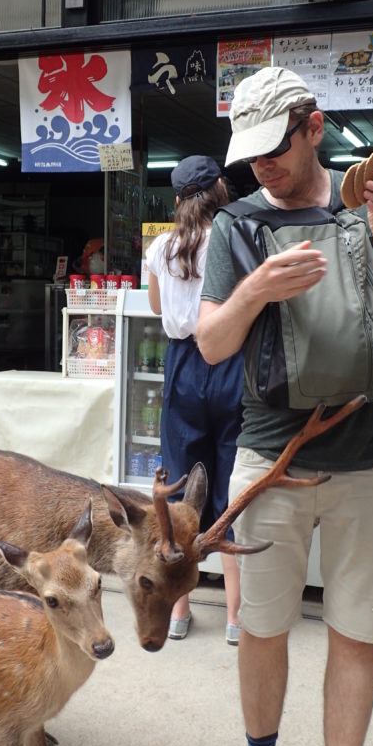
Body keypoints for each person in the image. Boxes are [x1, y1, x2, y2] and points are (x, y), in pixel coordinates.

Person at [195, 67, 373, 746]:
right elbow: (210, 342)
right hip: (271, 455)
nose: (261, 166)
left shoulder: (370, 201)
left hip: (369, 458)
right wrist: (253, 293)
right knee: (262, 626)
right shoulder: (235, 225)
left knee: (354, 633)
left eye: (275, 148)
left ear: (313, 126)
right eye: (249, 153)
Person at [146, 155, 244, 645]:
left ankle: (180, 612)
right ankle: (234, 618)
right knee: (230, 487)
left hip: (183, 364)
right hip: (229, 359)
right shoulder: (233, 236)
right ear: (220, 189)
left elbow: (158, 307)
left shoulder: (160, 247)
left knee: (184, 489)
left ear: (178, 198)